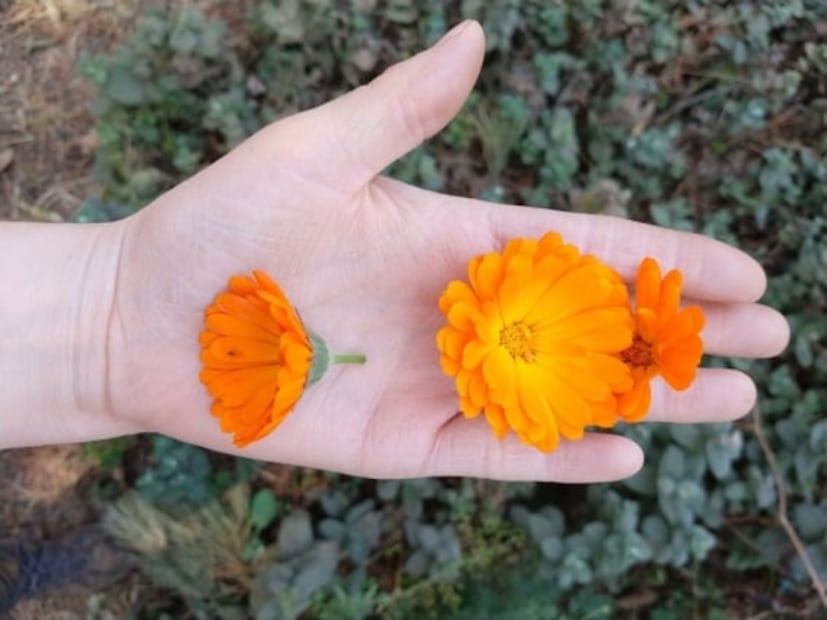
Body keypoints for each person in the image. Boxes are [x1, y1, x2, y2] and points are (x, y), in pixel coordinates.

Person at [0, 21, 788, 482]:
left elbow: (564, 377)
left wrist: (104, 319)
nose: (516, 336)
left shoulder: (561, 355)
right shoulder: (494, 317)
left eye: (517, 338)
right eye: (514, 332)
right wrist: (108, 313)